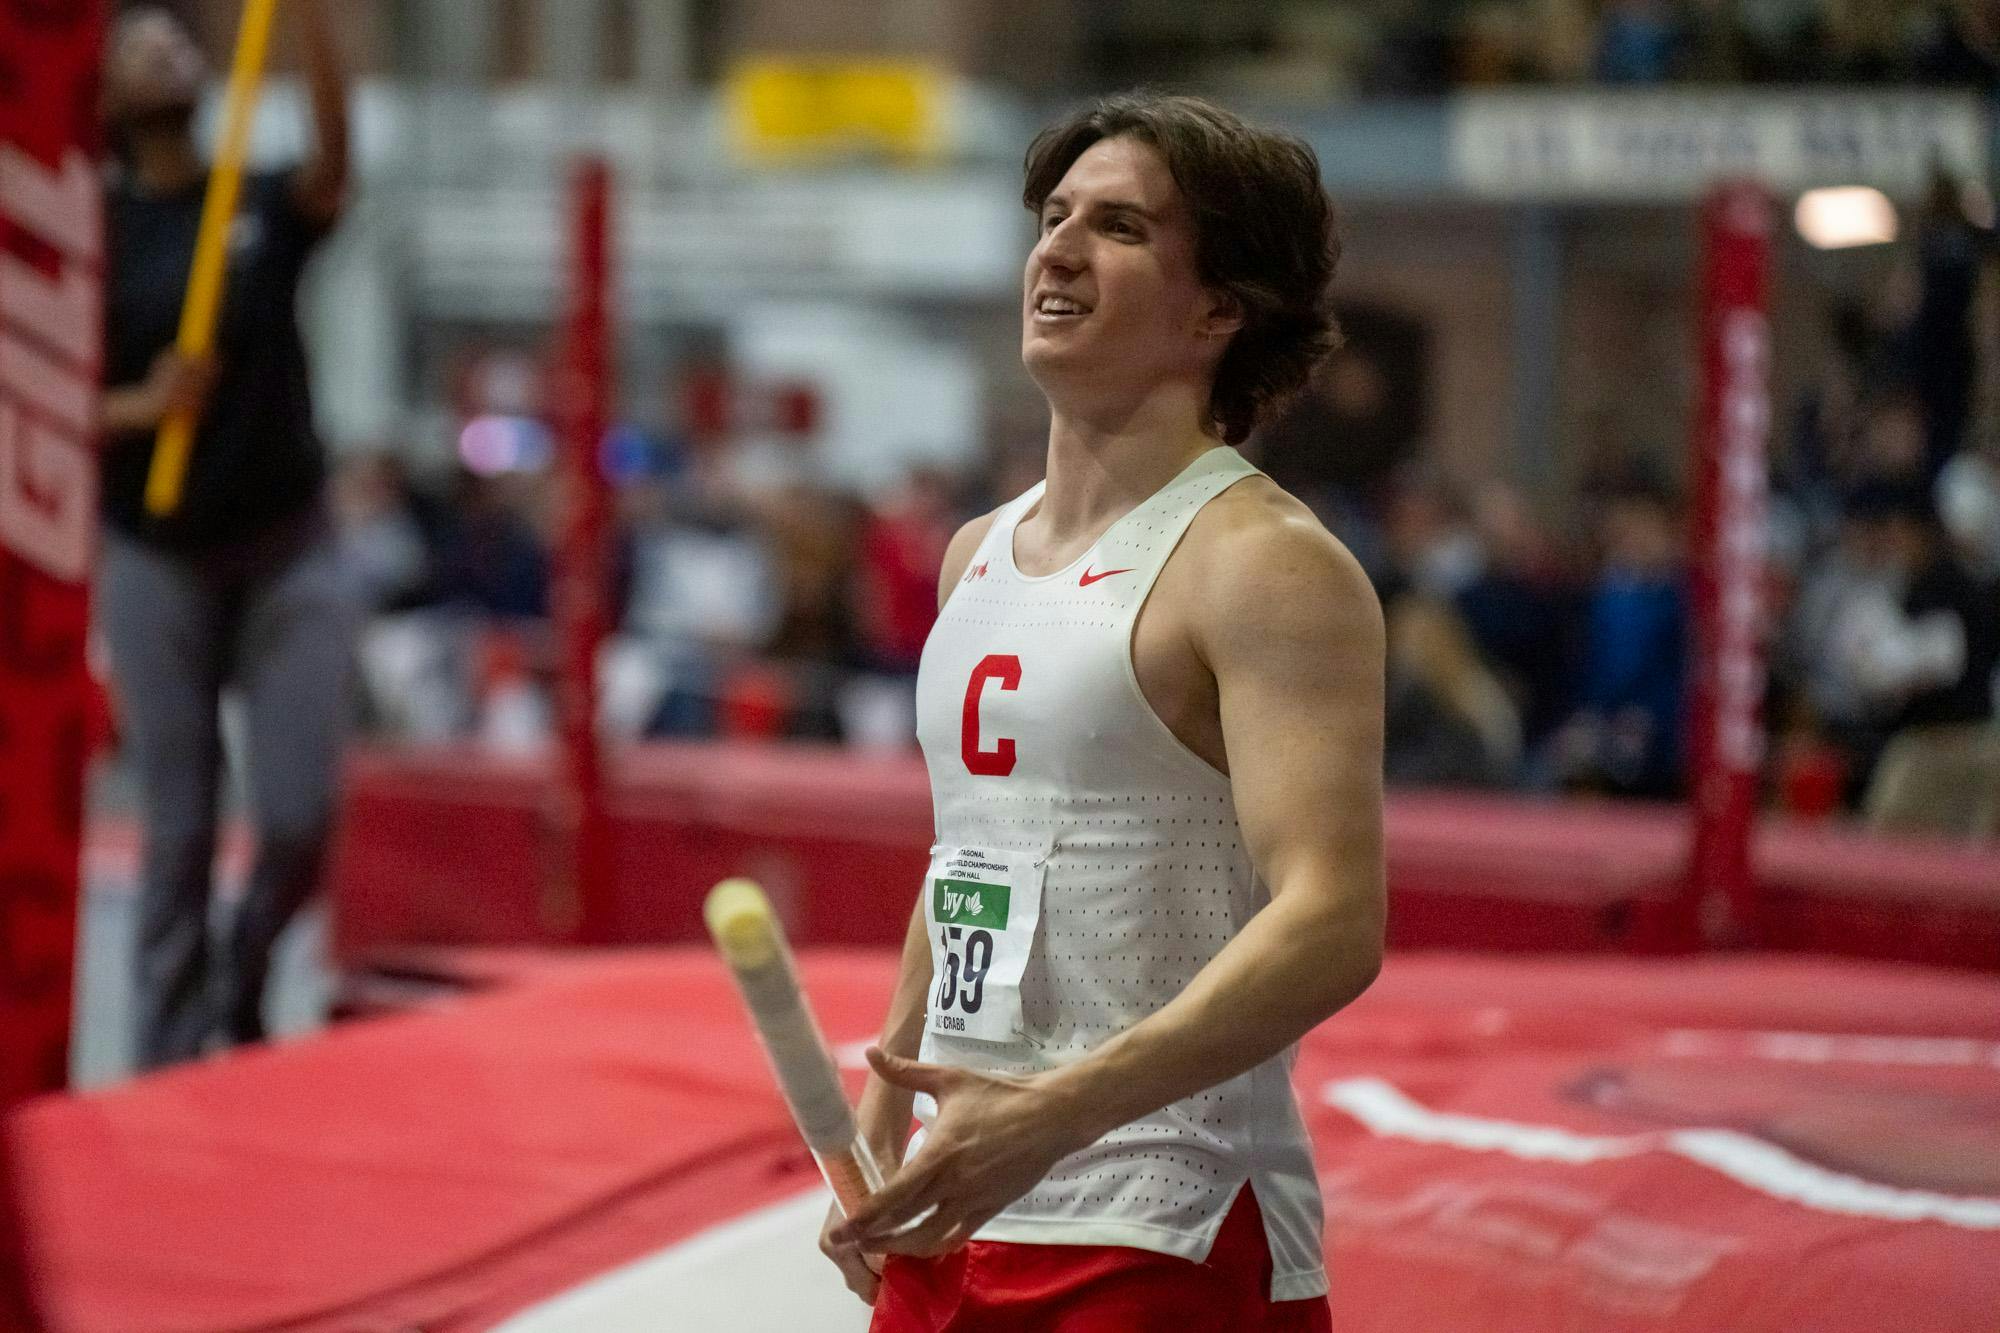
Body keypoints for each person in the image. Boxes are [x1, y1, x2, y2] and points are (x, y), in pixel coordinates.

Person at [820, 93, 1386, 1331]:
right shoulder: (975, 550)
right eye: (1054, 216)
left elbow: (1334, 920)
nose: (1057, 249)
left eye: (1118, 227)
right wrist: (886, 1089)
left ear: (1218, 307)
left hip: (1158, 1222)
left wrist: (1054, 1111)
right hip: (962, 1197)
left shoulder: (1262, 561)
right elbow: (974, 842)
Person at [97, 4, 356, 1069]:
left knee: (296, 816)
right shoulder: (94, 231)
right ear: (104, 100)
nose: (167, 47)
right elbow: (44, 401)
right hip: (155, 550)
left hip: (287, 538)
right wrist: (142, 407)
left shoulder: (250, 200)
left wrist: (311, 25)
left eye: (179, 37)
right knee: (179, 829)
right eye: (138, 43)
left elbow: (336, 168)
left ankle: (243, 974)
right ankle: (165, 1060)